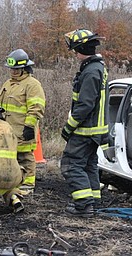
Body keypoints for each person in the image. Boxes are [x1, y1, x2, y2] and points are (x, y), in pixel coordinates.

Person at [61, 29, 109, 217]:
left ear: (80, 48)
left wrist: (68, 127)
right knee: (88, 165)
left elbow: (85, 104)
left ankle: (84, 206)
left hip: (85, 130)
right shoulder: (97, 67)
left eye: (75, 50)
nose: (74, 54)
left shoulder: (91, 71)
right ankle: (93, 202)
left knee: (71, 165)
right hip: (94, 131)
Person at [0, 49, 46, 192]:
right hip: (8, 129)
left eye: (17, 69)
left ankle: (28, 184)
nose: (13, 72)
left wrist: (29, 126)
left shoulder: (32, 84)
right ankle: (14, 182)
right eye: (12, 69)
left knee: (25, 157)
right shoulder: (8, 84)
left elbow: (36, 107)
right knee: (10, 157)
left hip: (22, 128)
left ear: (24, 68)